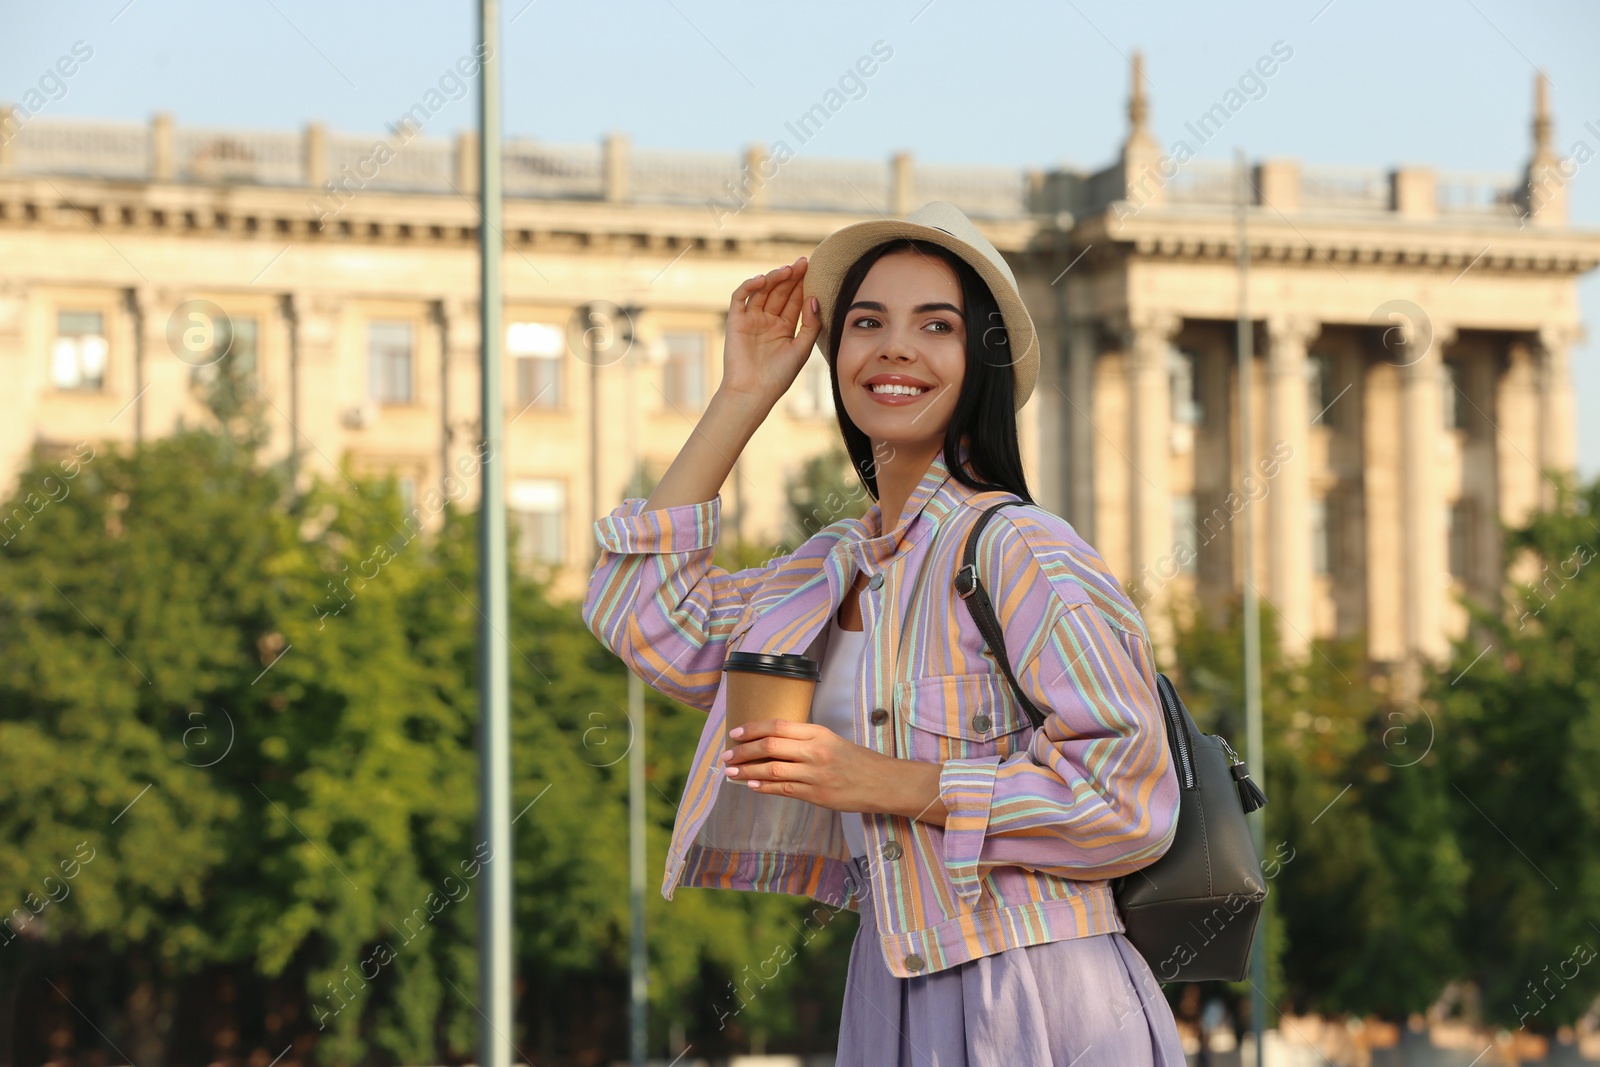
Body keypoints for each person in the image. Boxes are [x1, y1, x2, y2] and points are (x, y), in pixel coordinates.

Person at [582, 202, 1184, 1065]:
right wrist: (743, 393)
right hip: (890, 983)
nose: (895, 347)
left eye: (935, 325)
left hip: (1039, 992)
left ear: (981, 361)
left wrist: (888, 781)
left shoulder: (1021, 551)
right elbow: (640, 614)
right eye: (868, 322)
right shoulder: (834, 566)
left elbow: (1130, 803)